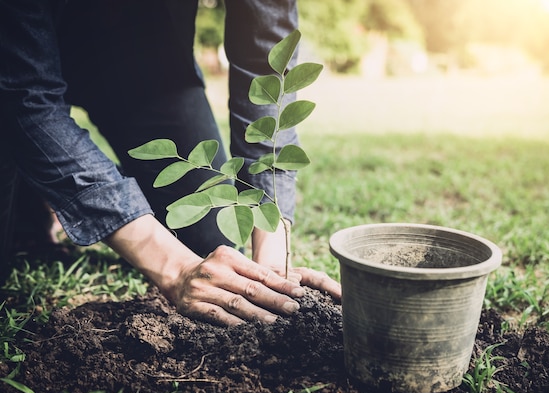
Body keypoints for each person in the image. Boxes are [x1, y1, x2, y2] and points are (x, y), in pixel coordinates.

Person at [0, 0, 341, 325]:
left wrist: (271, 257)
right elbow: (24, 95)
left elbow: (263, 51)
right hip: (18, 54)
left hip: (143, 59)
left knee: (211, 237)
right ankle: (29, 206)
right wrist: (176, 269)